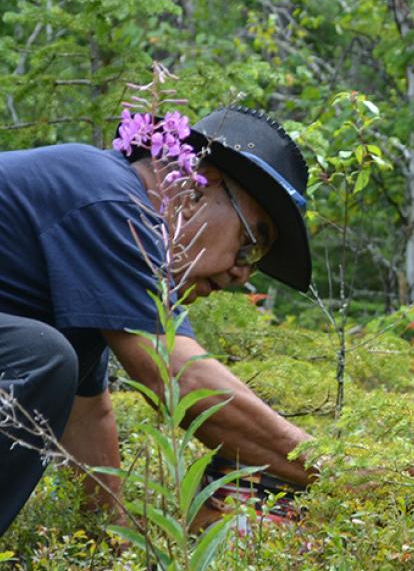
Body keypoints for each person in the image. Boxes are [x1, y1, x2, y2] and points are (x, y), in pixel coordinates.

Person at [0, 106, 317, 536]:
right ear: (196, 187)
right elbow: (179, 376)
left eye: (255, 261)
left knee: (48, 354)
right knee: (41, 354)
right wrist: (336, 474)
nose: (242, 273)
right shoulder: (110, 198)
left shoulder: (99, 231)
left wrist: (114, 542)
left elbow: (87, 418)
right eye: (250, 241)